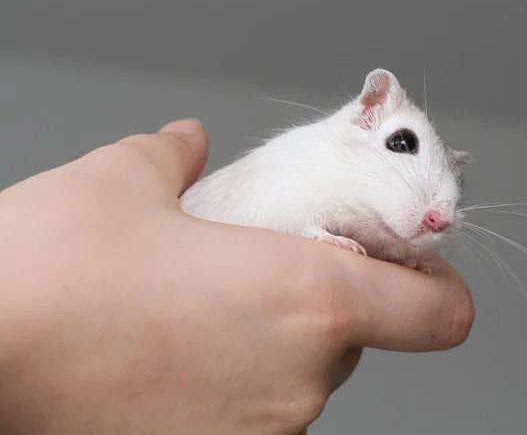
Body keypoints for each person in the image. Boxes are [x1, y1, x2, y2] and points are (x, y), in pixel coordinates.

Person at [0, 118, 474, 434]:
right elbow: (275, 212)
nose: (440, 213)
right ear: (367, 111)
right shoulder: (303, 160)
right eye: (402, 144)